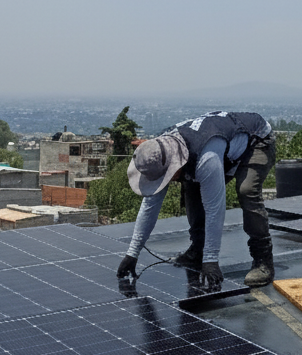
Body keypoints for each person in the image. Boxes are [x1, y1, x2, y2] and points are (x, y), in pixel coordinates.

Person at [118, 111, 276, 287]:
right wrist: (132, 254)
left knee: (247, 191)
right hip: (220, 146)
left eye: (168, 177)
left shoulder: (206, 157)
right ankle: (197, 250)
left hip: (256, 139)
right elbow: (150, 207)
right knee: (191, 183)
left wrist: (211, 260)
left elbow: (214, 208)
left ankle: (263, 260)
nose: (168, 182)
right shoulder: (160, 150)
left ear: (174, 164)